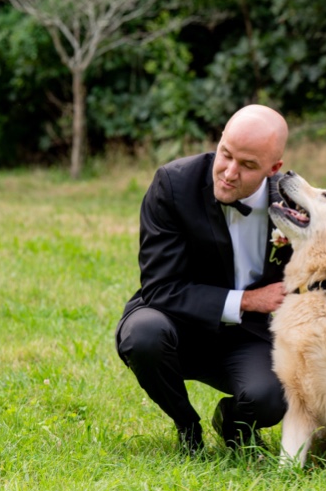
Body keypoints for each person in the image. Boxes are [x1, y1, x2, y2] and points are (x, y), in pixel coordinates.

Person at [115, 105, 295, 453]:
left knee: (276, 394)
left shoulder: (292, 204)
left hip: (247, 335)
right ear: (220, 140)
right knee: (144, 335)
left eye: (247, 165)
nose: (228, 173)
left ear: (274, 169)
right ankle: (187, 427)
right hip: (173, 320)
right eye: (225, 154)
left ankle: (232, 422)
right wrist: (246, 301)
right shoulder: (173, 184)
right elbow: (159, 287)